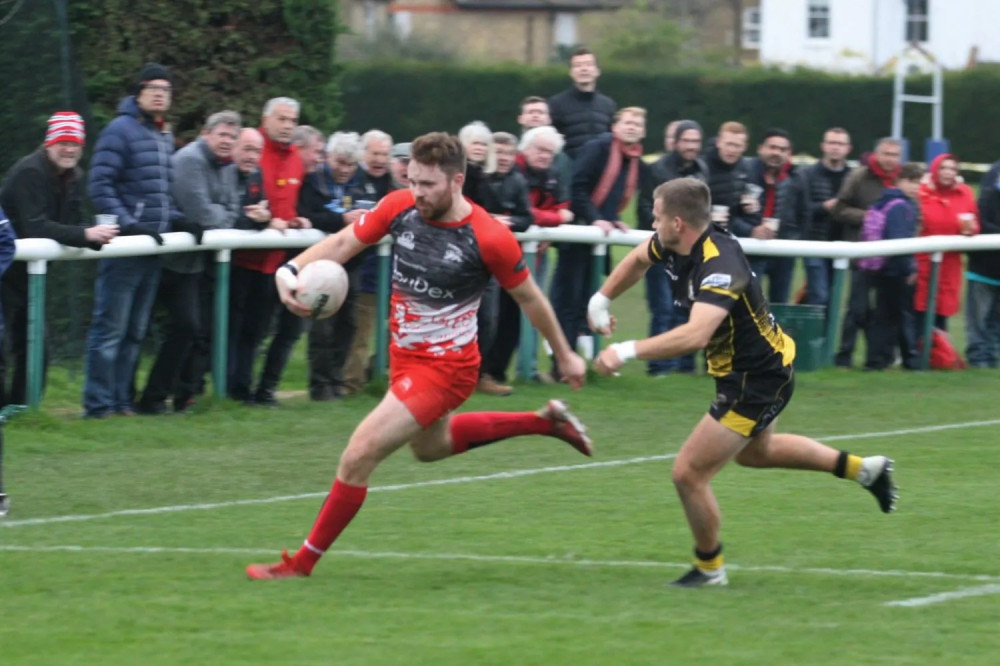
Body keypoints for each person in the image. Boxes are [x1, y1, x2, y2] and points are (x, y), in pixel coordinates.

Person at [246, 132, 590, 580]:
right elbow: (344, 243)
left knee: (358, 454)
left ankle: (300, 565)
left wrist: (564, 354)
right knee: (431, 450)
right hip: (406, 359)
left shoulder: (488, 236)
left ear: (457, 181)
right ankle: (544, 421)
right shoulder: (400, 206)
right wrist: (291, 270)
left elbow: (530, 298)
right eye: (412, 181)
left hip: (447, 368)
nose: (418, 193)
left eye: (428, 184)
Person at [587, 178, 897, 587]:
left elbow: (694, 335)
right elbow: (639, 259)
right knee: (756, 453)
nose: (652, 222)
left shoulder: (719, 267)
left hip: (756, 379)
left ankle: (710, 569)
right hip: (755, 369)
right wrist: (601, 299)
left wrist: (625, 351)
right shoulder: (678, 241)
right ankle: (865, 470)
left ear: (678, 222)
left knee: (687, 474)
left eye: (657, 216)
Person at [83, 62, 182, 418]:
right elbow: (99, 186)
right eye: (153, 87)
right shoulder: (119, 130)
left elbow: (161, 195)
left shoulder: (163, 135)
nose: (159, 94)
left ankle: (122, 402)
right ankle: (97, 405)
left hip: (151, 249)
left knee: (136, 332)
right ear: (138, 92)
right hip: (125, 248)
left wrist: (181, 221)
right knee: (110, 330)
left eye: (166, 89)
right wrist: (128, 225)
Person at [0, 112, 117, 407]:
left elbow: (76, 222)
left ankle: (22, 409)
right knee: (4, 348)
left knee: (37, 348)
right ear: (49, 143)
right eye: (63, 142)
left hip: (27, 276)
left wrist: (95, 236)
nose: (70, 149)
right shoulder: (30, 172)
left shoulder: (74, 175)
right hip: (5, 271)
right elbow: (34, 227)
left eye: (75, 143)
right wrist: (87, 234)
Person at [137, 110, 241, 414]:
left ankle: (160, 397)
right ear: (205, 134)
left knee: (189, 329)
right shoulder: (190, 159)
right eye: (222, 134)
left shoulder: (229, 167)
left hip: (191, 264)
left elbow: (230, 214)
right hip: (163, 260)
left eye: (232, 137)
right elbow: (203, 215)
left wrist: (218, 215)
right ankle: (130, 399)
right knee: (142, 329)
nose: (227, 141)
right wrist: (219, 215)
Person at [636, 119, 707, 376]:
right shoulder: (657, 170)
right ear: (675, 143)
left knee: (687, 309)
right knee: (663, 309)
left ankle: (683, 367)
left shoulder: (702, 170)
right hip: (662, 251)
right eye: (686, 141)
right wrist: (668, 229)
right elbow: (644, 209)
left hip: (690, 253)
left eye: (695, 142)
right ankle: (658, 367)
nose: (691, 146)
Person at [832, 137, 903, 368]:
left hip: (892, 258)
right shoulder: (859, 177)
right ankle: (844, 356)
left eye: (894, 155)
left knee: (886, 312)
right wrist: (868, 218)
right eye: (886, 154)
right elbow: (839, 209)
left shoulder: (902, 181)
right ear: (877, 154)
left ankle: (880, 358)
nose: (890, 159)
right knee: (857, 309)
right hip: (862, 257)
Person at [777, 128, 852, 307]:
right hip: (814, 243)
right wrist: (823, 207)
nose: (835, 148)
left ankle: (827, 334)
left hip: (842, 244)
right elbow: (798, 210)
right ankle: (815, 334)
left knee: (834, 299)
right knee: (820, 295)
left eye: (840, 144)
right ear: (823, 146)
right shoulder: (806, 175)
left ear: (848, 148)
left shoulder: (853, 177)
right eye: (832, 143)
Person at [863, 162, 924, 371]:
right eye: (911, 182)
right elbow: (900, 241)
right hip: (896, 270)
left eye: (918, 183)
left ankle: (878, 360)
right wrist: (909, 269)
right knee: (900, 318)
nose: (916, 187)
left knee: (883, 317)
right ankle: (909, 361)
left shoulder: (883, 200)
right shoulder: (901, 206)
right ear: (900, 181)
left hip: (880, 267)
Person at [914, 153, 979, 336]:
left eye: (952, 168)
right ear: (935, 170)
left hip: (950, 264)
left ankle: (940, 353)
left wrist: (971, 229)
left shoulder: (966, 193)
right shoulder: (921, 192)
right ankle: (914, 352)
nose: (948, 172)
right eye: (943, 168)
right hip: (922, 262)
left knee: (942, 310)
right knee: (919, 308)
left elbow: (975, 222)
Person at [747, 128, 796, 304]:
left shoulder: (793, 181)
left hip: (781, 253)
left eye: (782, 149)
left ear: (789, 153)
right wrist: (751, 231)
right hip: (749, 251)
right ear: (761, 148)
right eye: (772, 147)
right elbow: (732, 215)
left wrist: (787, 239)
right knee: (750, 307)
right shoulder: (744, 174)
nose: (776, 153)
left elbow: (799, 219)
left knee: (780, 306)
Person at [548, 47, 616, 160]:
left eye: (589, 64)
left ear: (597, 71)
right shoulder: (556, 104)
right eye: (578, 65)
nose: (583, 69)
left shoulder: (608, 105)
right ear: (571, 72)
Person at [966, 158, 1000, 368]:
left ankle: (990, 358)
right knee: (979, 319)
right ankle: (979, 359)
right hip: (984, 267)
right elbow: (983, 224)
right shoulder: (989, 194)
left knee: (994, 319)